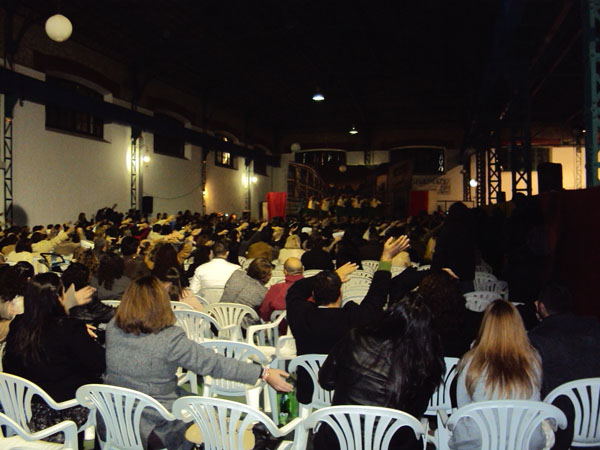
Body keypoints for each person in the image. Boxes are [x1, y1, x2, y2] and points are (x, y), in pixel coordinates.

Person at [104, 276, 292, 450]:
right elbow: (215, 364)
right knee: (214, 420)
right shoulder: (169, 338)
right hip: (157, 427)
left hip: (111, 419)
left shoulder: (113, 328)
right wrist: (264, 373)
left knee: (201, 406)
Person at [286, 235, 410, 404]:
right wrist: (386, 259)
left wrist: (333, 276)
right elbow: (377, 296)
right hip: (346, 395)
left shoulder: (302, 315)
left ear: (313, 295)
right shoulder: (355, 318)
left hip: (309, 392)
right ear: (340, 294)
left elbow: (296, 290)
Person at [317, 294, 445, 450]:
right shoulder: (426, 362)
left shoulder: (355, 337)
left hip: (337, 438)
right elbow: (418, 410)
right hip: (395, 443)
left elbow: (326, 381)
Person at [3, 273, 102, 443]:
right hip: (63, 412)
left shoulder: (18, 325)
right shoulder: (70, 329)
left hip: (21, 410)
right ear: (58, 297)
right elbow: (99, 364)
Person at [451, 300, 546, 450]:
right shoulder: (533, 360)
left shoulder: (471, 361)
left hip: (480, 441)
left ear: (485, 327)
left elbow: (463, 406)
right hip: (527, 440)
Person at [529, 282, 600, 449]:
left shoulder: (536, 339)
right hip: (597, 421)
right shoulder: (594, 327)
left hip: (562, 429)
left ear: (541, 307)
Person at [221, 258, 272, 327]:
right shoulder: (263, 293)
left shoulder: (236, 274)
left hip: (216, 321)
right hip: (240, 329)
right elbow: (265, 315)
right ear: (265, 277)